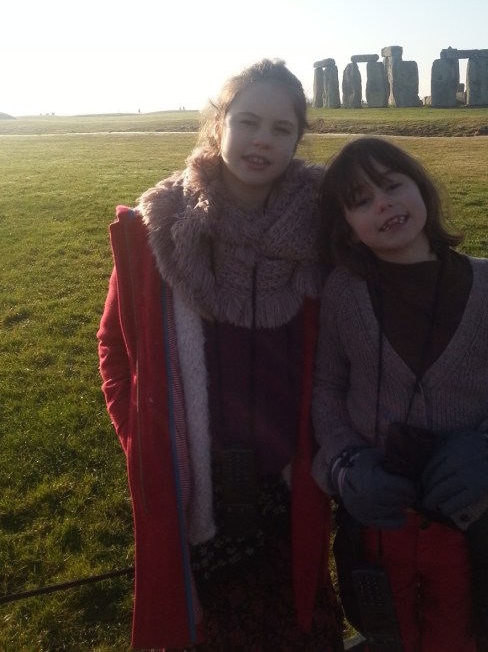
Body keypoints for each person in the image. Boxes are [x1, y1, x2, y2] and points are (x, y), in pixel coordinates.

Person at [97, 59, 343, 651]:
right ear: (218, 124)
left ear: (298, 139)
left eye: (282, 129)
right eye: (248, 121)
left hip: (291, 476)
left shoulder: (325, 229)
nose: (263, 140)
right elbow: (115, 348)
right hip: (197, 479)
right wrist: (140, 434)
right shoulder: (157, 229)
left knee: (306, 629)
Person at [312, 137, 488, 652]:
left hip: (467, 517)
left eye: (393, 185)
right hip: (377, 520)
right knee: (389, 633)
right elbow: (327, 388)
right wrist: (345, 463)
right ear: (347, 227)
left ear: (421, 187)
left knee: (469, 629)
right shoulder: (343, 294)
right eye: (360, 200)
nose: (383, 203)